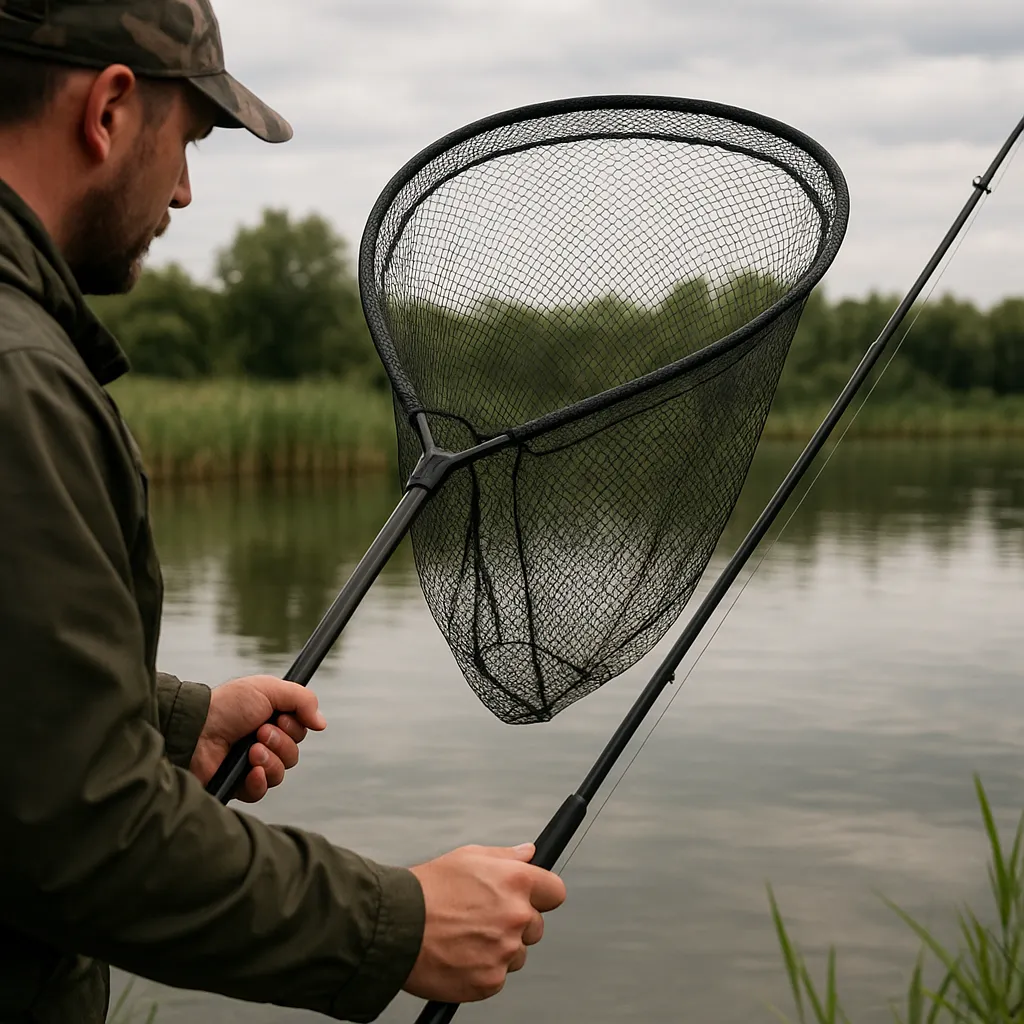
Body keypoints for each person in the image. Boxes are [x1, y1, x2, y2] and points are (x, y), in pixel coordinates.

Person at [0, 2, 567, 1022]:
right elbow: (82, 836)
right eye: (189, 141)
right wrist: (402, 923)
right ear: (112, 109)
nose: (181, 189)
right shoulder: (17, 381)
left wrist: (169, 722)